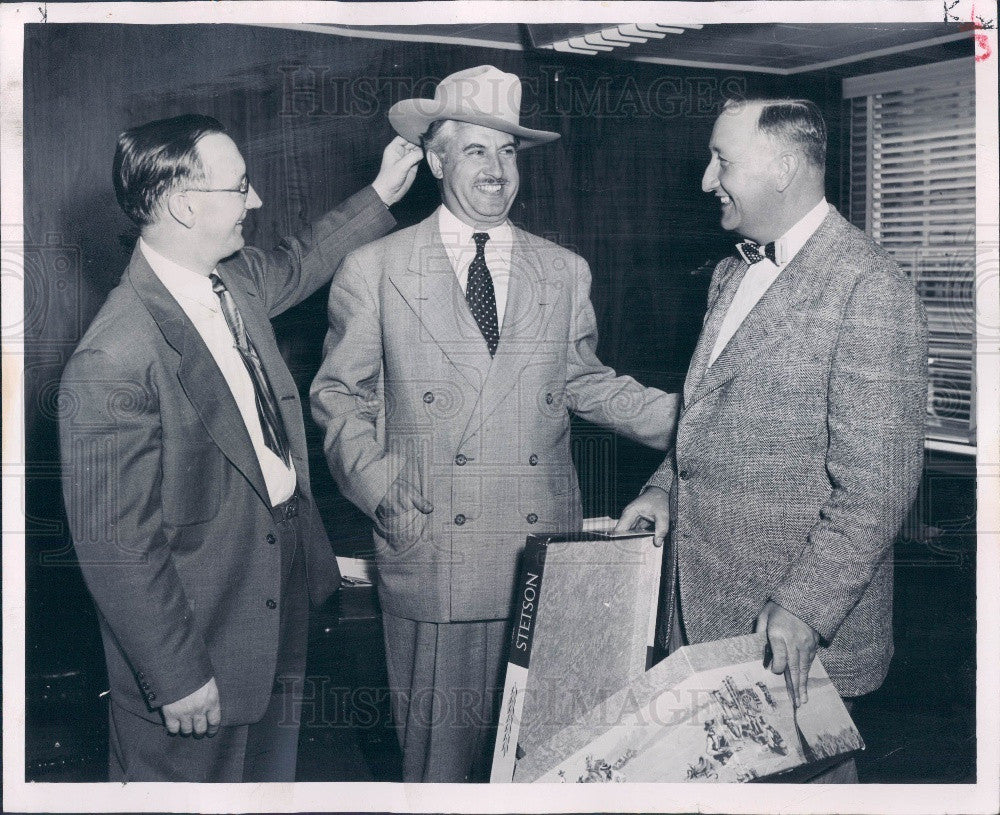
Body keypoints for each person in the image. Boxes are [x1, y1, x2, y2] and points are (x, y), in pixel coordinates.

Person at [310, 65, 679, 782]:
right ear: (437, 158)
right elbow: (338, 398)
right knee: (442, 766)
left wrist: (703, 423)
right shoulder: (374, 267)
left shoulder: (563, 270)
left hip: (550, 552)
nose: (496, 169)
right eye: (476, 150)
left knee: (547, 759)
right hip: (433, 543)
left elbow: (586, 382)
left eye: (509, 152)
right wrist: (384, 488)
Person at [58, 113, 422, 782]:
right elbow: (119, 548)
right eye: (241, 186)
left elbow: (305, 255)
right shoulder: (114, 356)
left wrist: (382, 193)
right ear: (183, 203)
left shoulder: (237, 278)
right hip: (197, 630)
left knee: (267, 779)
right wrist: (177, 676)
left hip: (279, 582)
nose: (255, 201)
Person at [616, 98, 927, 783]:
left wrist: (805, 605)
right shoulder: (731, 273)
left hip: (790, 640)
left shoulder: (869, 287)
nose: (705, 180)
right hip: (699, 614)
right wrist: (663, 487)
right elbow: (707, 414)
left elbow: (879, 486)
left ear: (784, 168)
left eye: (722, 161)